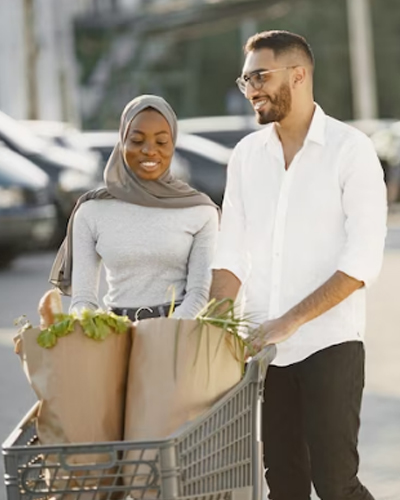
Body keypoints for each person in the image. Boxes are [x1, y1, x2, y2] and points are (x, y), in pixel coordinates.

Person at [210, 30, 387, 500]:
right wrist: (215, 325)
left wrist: (287, 322)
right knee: (283, 487)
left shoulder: (351, 151)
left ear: (299, 74)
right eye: (246, 80)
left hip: (330, 343)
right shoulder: (247, 157)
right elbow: (230, 251)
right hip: (266, 354)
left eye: (259, 76)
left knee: (336, 485)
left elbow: (362, 260)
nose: (251, 90)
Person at [49, 94, 218, 320]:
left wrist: (161, 335)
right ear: (122, 143)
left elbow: (199, 295)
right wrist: (100, 330)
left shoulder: (199, 210)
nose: (149, 150)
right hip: (115, 334)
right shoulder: (91, 211)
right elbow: (83, 300)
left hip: (177, 334)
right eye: (137, 141)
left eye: (161, 142)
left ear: (173, 144)